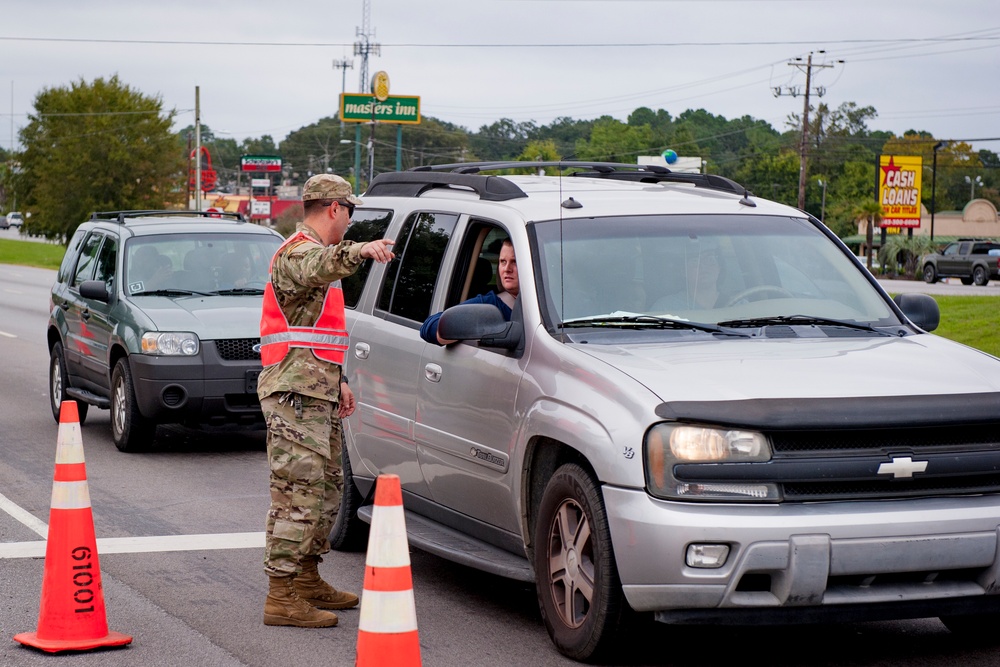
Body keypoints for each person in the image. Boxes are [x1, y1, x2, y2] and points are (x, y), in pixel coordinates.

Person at [256, 173, 395, 628]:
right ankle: (281, 595)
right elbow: (321, 264)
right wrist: (361, 250)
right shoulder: (297, 252)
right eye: (349, 211)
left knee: (326, 491)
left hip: (317, 390)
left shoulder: (315, 256)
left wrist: (340, 380)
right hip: (294, 395)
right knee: (297, 495)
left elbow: (318, 334)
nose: (350, 221)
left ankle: (308, 578)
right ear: (334, 207)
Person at [420, 238, 518, 345]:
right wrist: (471, 324)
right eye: (503, 262)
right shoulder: (491, 304)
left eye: (515, 262)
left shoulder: (538, 304)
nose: (507, 269)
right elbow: (428, 327)